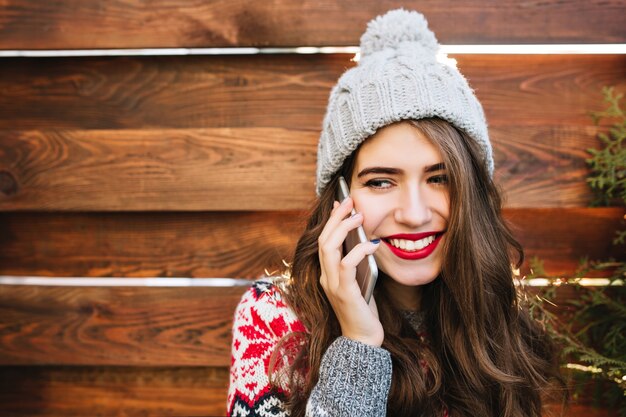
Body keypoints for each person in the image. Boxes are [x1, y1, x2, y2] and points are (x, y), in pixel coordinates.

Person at [227, 9, 564, 417]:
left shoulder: (494, 314)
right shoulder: (275, 317)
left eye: (439, 178)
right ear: (340, 195)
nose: (414, 214)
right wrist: (358, 348)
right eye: (381, 182)